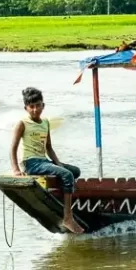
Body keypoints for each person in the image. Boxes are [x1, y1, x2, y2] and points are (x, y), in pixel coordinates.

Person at [10, 87, 83, 234]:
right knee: (67, 175)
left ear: (43, 105)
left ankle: (61, 203)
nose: (35, 109)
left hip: (43, 161)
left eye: (38, 105)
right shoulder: (22, 123)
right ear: (26, 108)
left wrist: (58, 163)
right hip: (31, 163)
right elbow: (13, 148)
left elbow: (49, 147)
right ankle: (67, 217)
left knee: (74, 171)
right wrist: (16, 170)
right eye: (32, 107)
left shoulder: (45, 123)